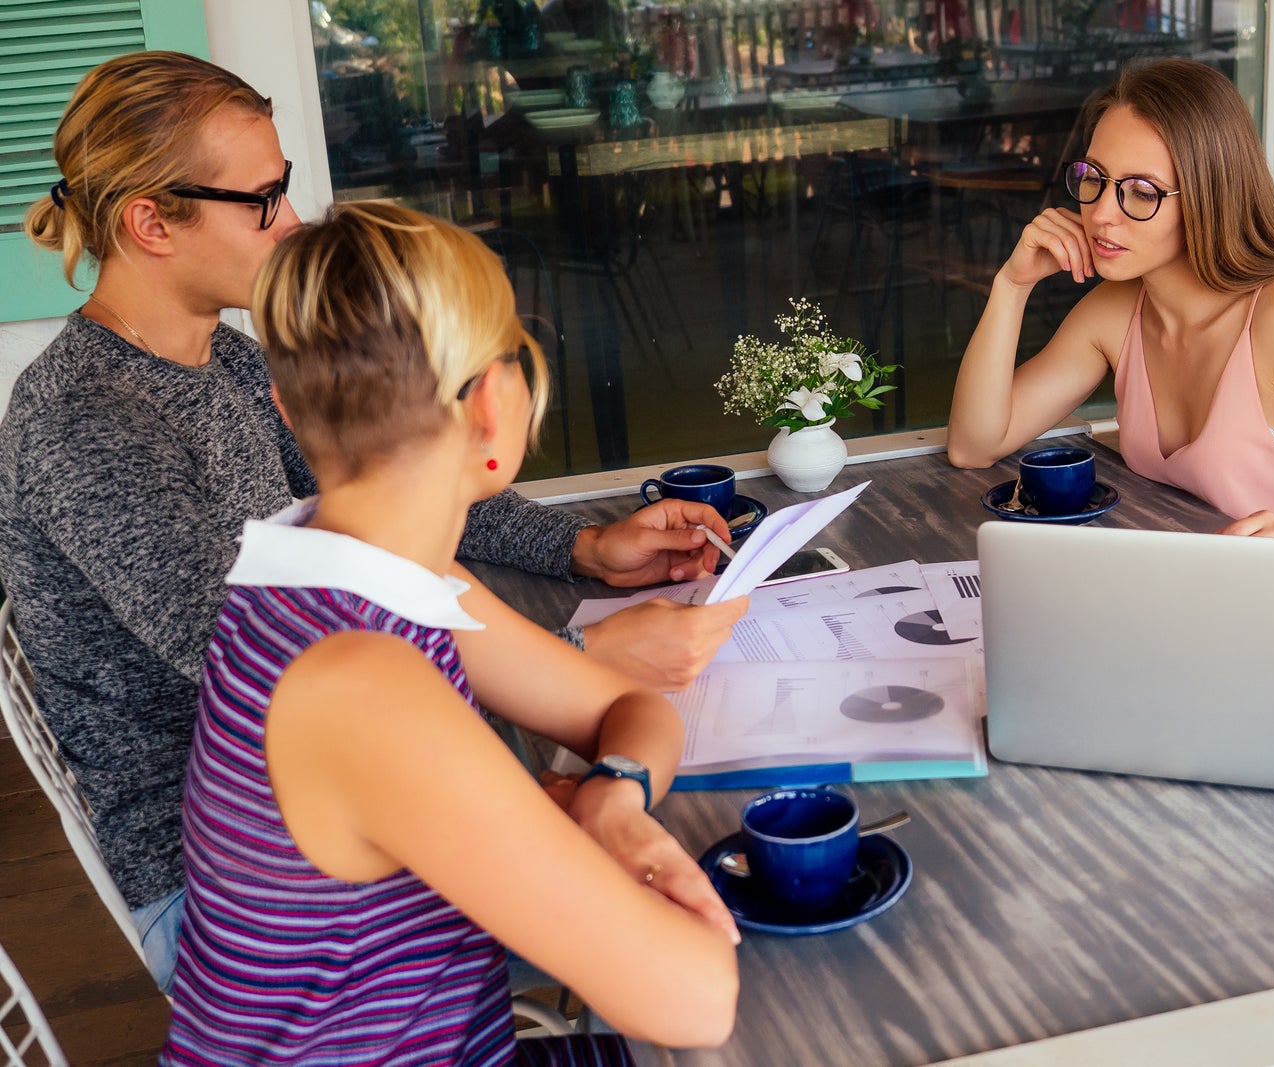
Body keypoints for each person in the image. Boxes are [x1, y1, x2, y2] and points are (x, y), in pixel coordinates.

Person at [0, 50, 744, 992]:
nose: (292, 221)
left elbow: (394, 488)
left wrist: (583, 547)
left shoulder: (228, 364)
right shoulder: (83, 421)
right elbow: (261, 679)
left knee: (663, 841)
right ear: (152, 221)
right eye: (261, 199)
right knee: (701, 901)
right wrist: (574, 662)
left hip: (364, 790)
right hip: (239, 890)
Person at [159, 200, 738, 1064]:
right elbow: (695, 1001)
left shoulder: (349, 561)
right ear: (494, 409)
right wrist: (584, 816)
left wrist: (611, 797)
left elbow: (626, 702)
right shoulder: (359, 683)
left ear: (285, 404)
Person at [947, 58, 1274, 648]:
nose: (1100, 213)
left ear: (1208, 197)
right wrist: (1010, 287)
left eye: (1141, 191)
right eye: (1093, 176)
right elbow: (975, 444)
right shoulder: (1117, 312)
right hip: (1232, 625)